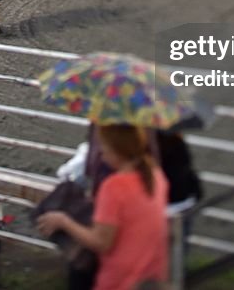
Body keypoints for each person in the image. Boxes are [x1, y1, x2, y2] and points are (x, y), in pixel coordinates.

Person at [38, 124, 169, 290]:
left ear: (118, 150)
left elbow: (102, 243)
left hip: (120, 280)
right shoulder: (156, 176)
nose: (101, 152)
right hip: (151, 276)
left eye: (104, 146)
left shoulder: (114, 186)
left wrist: (63, 221)